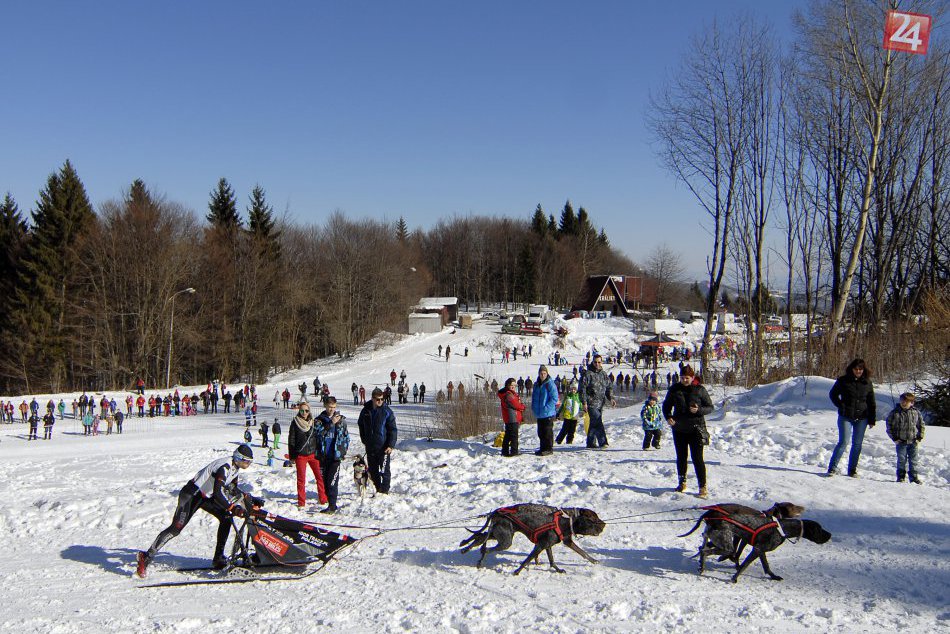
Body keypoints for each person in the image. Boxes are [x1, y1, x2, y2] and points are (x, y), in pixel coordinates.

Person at [136, 444, 261, 578]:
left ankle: (218, 558)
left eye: (250, 462)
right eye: (246, 461)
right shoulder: (224, 467)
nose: (248, 464)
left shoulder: (235, 469)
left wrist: (250, 499)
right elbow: (219, 493)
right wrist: (233, 508)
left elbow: (232, 489)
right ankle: (146, 556)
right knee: (176, 528)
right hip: (192, 494)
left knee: (226, 518)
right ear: (238, 458)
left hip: (206, 496)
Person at [662, 365, 713, 497]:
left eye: (687, 378)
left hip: (696, 428)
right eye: (682, 378)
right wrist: (668, 417)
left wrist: (699, 410)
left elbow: (710, 407)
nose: (685, 380)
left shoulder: (700, 389)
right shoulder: (675, 389)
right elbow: (666, 406)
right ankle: (682, 482)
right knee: (681, 457)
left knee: (697, 458)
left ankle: (702, 486)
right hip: (679, 428)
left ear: (693, 378)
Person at [827, 358, 876, 478]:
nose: (858, 371)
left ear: (864, 370)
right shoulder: (843, 380)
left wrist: (872, 419)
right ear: (852, 369)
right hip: (846, 416)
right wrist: (841, 405)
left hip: (862, 417)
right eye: (856, 369)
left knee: (857, 444)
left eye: (860, 369)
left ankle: (852, 470)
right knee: (843, 442)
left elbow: (871, 401)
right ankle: (832, 468)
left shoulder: (867, 382)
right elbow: (832, 394)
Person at [288, 401, 328, 509]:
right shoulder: (295, 422)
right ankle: (301, 502)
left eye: (306, 410)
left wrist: (319, 451)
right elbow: (291, 439)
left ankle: (323, 498)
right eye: (302, 410)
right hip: (301, 455)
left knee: (319, 477)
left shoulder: (313, 422)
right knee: (301, 479)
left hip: (313, 454)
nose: (304, 413)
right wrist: (292, 456)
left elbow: (318, 436)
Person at [357, 388, 397, 494]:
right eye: (378, 399)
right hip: (370, 446)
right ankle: (378, 488)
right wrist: (364, 438)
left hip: (383, 447)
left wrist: (390, 445)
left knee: (384, 471)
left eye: (382, 399)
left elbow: (393, 429)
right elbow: (360, 424)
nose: (380, 401)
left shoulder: (387, 411)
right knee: (373, 471)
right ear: (373, 399)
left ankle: (384, 491)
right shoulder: (366, 410)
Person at [315, 396, 350, 513]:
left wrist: (343, 451)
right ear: (325, 406)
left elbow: (346, 437)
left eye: (334, 407)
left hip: (336, 456)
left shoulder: (341, 421)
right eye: (330, 407)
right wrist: (330, 423)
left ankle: (332, 505)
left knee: (332, 481)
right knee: (325, 482)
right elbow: (318, 434)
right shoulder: (319, 420)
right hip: (324, 455)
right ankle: (330, 504)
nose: (332, 410)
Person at [885, 392, 925, 484]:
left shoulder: (916, 412)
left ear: (912, 403)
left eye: (906, 402)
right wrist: (894, 438)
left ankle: (914, 477)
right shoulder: (895, 413)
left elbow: (921, 424)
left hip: (913, 441)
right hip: (901, 441)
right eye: (902, 401)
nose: (904, 403)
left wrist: (920, 436)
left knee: (913, 460)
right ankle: (901, 477)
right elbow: (889, 426)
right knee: (901, 460)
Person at [578, 354, 616, 449]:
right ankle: (603, 442)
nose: (597, 364)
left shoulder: (603, 374)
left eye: (599, 362)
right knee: (598, 421)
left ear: (601, 362)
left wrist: (611, 398)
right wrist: (584, 402)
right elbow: (582, 389)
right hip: (591, 403)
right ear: (592, 362)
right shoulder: (587, 374)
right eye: (595, 362)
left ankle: (590, 443)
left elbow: (609, 387)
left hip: (600, 403)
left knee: (594, 422)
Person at [531, 365, 559, 456]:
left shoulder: (550, 384)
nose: (543, 375)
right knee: (541, 432)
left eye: (544, 373)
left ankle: (548, 448)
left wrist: (547, 407)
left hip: (547, 412)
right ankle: (543, 448)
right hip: (539, 412)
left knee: (547, 432)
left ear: (547, 373)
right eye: (541, 373)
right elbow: (534, 397)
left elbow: (554, 398)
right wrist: (533, 407)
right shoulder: (536, 384)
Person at [498, 378, 525, 457]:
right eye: (511, 385)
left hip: (509, 417)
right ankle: (514, 451)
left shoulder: (508, 393)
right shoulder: (508, 394)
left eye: (514, 385)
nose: (513, 386)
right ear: (507, 385)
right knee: (513, 435)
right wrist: (522, 406)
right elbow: (515, 404)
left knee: (508, 435)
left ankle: (505, 451)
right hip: (512, 417)